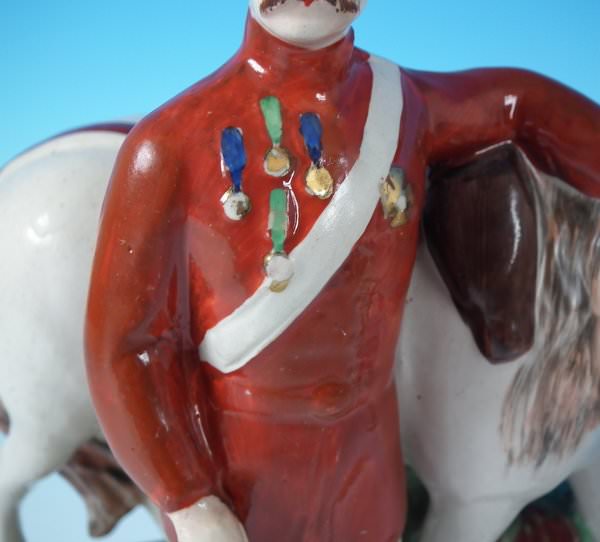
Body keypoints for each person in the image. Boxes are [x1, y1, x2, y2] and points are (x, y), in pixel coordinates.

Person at [85, 1, 600, 540]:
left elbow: (519, 105)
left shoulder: (403, 106)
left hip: (366, 465)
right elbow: (127, 349)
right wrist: (188, 500)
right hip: (242, 472)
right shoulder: (166, 145)